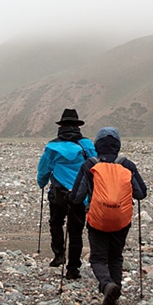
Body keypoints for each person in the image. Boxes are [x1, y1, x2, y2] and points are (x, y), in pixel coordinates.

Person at [70, 127, 147, 305]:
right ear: (118, 145)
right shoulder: (127, 165)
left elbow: (76, 198)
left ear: (97, 144)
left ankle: (106, 285)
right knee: (116, 257)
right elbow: (141, 193)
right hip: (121, 219)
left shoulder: (90, 165)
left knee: (97, 258)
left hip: (98, 218)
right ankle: (115, 289)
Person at [37, 108, 97, 280]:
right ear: (77, 126)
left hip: (58, 193)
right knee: (76, 230)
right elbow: (95, 165)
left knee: (56, 223)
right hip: (80, 194)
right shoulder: (86, 145)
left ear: (61, 125)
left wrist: (41, 183)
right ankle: (73, 268)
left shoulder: (52, 146)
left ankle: (59, 255)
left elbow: (44, 169)